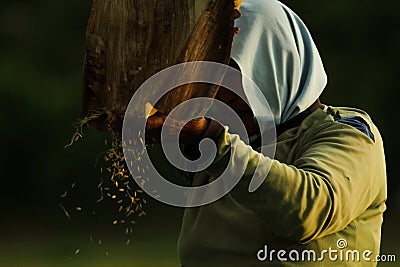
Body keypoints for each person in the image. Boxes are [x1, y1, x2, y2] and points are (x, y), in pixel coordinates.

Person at [145, 0, 387, 266]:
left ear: (275, 63)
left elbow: (308, 210)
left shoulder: (348, 135)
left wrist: (211, 140)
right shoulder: (221, 152)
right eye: (210, 77)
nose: (219, 93)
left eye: (233, 72)